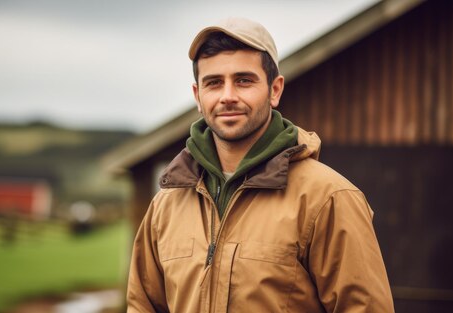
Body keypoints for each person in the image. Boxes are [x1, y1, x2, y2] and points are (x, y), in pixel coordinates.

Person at [127, 17, 394, 312]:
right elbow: (142, 305)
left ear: (275, 89)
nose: (228, 96)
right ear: (198, 96)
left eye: (243, 80)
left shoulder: (328, 198)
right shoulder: (167, 204)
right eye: (214, 83)